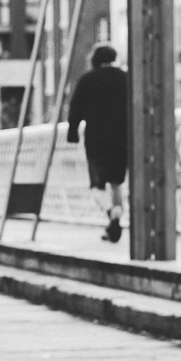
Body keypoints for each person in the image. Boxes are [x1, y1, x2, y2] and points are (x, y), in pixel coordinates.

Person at [66, 44, 128, 243]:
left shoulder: (87, 79)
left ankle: (111, 213)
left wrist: (73, 131)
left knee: (97, 185)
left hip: (97, 139)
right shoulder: (125, 78)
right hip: (122, 138)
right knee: (117, 182)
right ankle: (116, 217)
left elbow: (75, 108)